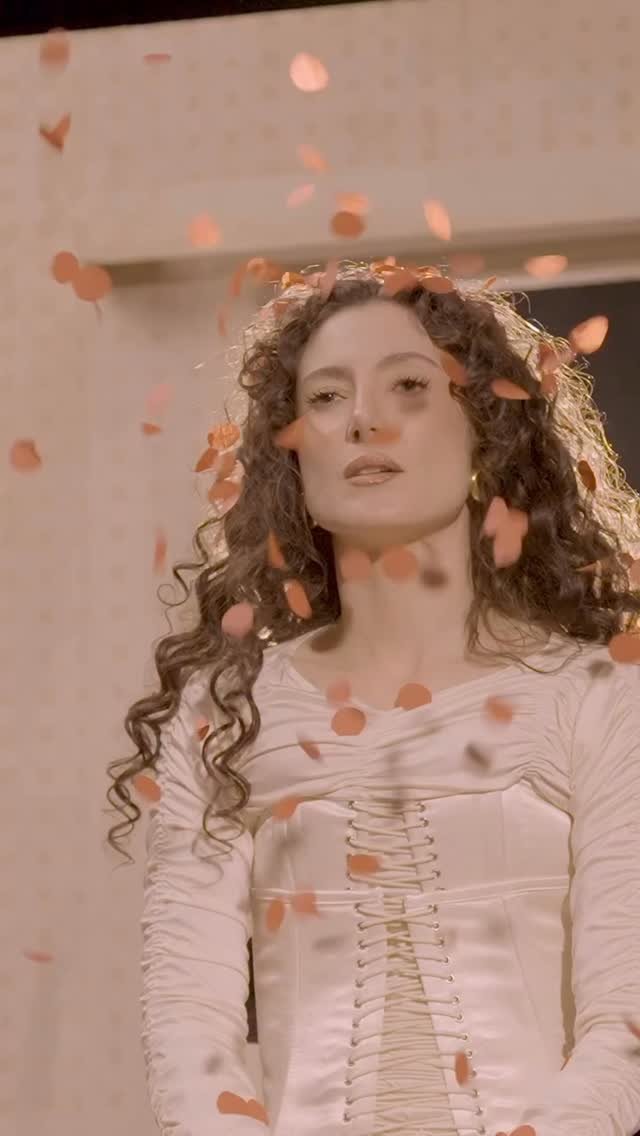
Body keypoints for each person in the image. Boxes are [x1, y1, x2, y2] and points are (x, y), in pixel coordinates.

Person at [107, 260, 640, 1136]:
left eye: (409, 386)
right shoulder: (224, 712)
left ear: (487, 435)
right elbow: (189, 1031)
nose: (363, 419)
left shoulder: (599, 697)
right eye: (325, 397)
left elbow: (623, 1030)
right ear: (292, 453)